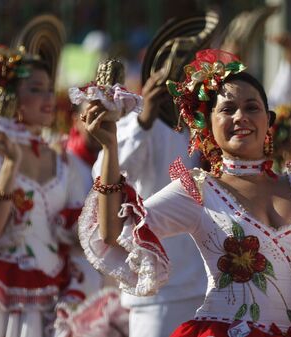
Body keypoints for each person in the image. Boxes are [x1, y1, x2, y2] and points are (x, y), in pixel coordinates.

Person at [79, 49, 291, 337]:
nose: (240, 117)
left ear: (269, 119)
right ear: (207, 123)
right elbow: (111, 233)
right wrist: (110, 147)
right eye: (227, 109)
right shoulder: (197, 189)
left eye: (252, 107)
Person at [0, 47, 95, 337]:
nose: (48, 98)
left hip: (53, 299)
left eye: (49, 89)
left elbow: (79, 236)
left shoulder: (63, 159)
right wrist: (10, 165)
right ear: (9, 98)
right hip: (2, 304)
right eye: (36, 89)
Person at [89, 70, 207, 336]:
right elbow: (104, 174)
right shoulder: (142, 124)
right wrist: (144, 121)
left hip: (206, 285)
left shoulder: (204, 127)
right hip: (158, 291)